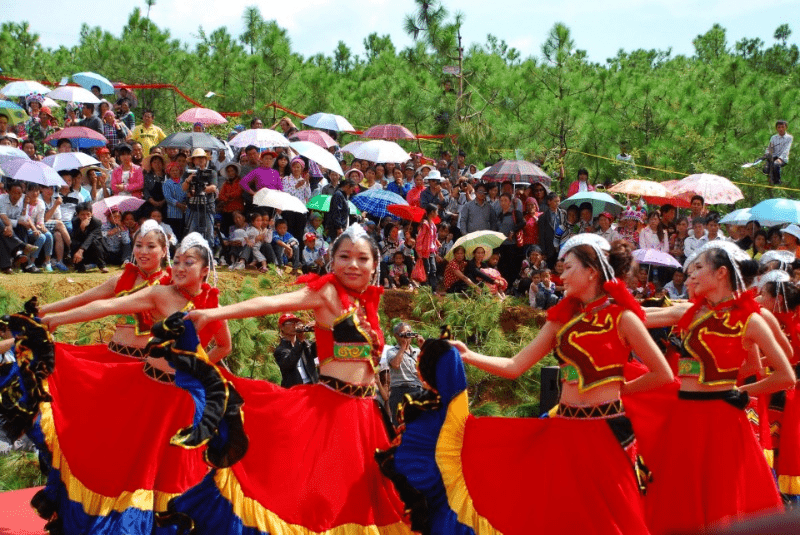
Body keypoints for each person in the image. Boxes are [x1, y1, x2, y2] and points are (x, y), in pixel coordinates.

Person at [392, 235, 672, 533]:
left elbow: (662, 374)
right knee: (562, 518)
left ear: (592, 271)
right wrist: (470, 355)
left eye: (568, 268)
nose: (560, 275)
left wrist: (620, 390)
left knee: (615, 519)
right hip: (564, 433)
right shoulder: (561, 321)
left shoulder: (622, 318)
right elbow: (515, 366)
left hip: (606, 435)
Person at [177, 224, 412, 534]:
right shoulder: (327, 293)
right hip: (331, 410)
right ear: (331, 260)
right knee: (321, 498)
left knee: (361, 500)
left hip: (365, 415)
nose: (353, 264)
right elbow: (274, 303)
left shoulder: (367, 302)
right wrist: (214, 315)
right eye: (344, 256)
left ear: (374, 264)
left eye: (362, 258)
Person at [24, 232, 230, 534]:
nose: (181, 268)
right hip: (147, 388)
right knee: (134, 462)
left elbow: (224, 347)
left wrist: (198, 369)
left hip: (182, 399)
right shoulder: (161, 294)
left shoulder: (212, 303)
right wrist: (54, 319)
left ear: (204, 270)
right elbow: (105, 307)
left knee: (173, 473)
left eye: (190, 262)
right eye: (179, 262)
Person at [641, 241, 793, 533]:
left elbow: (784, 375)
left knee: (720, 497)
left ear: (721, 272)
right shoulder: (687, 312)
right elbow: (635, 318)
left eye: (699, 267)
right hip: (684, 419)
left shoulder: (749, 320)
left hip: (723, 422)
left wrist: (740, 392)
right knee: (679, 496)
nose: (692, 275)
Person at [383, 322, 425, 426]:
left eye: (409, 333)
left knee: (417, 424)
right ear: (396, 336)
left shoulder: (418, 351)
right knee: (399, 424)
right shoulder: (391, 351)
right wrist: (403, 347)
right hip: (399, 391)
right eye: (403, 334)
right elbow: (395, 364)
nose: (407, 336)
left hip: (416, 390)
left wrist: (424, 347)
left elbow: (430, 368)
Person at [273, 313, 319, 388]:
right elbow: (289, 363)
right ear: (281, 327)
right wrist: (300, 341)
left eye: (296, 323)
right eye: (290, 323)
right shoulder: (280, 350)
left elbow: (319, 350)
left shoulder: (305, 343)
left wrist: (319, 330)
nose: (294, 325)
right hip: (295, 389)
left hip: (312, 386)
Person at [182, 149, 218, 245]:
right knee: (191, 233)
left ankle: (209, 256)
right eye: (197, 158)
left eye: (202, 158)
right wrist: (188, 180)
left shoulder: (211, 172)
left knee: (208, 234)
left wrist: (200, 189)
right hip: (192, 207)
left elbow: (213, 187)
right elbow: (184, 188)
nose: (200, 160)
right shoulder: (189, 172)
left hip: (207, 206)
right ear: (193, 160)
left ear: (206, 160)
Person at [70, 202, 108, 273]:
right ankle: (79, 266)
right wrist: (81, 228)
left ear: (91, 213)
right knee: (74, 243)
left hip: (97, 250)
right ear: (78, 215)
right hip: (82, 250)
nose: (85, 217)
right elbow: (75, 237)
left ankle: (102, 266)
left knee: (95, 242)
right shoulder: (75, 222)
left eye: (88, 214)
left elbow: (91, 237)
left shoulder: (97, 222)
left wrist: (81, 250)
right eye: (82, 214)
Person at [539, 192, 566, 268]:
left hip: (561, 247)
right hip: (549, 249)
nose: (557, 203)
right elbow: (541, 235)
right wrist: (543, 252)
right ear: (549, 202)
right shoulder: (543, 217)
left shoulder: (563, 214)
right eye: (555, 201)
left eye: (558, 201)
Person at [764, 120, 792, 185]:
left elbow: (786, 149)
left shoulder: (789, 138)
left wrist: (780, 159)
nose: (781, 129)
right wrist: (767, 153)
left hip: (782, 158)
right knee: (765, 169)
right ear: (776, 128)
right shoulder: (773, 137)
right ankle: (770, 180)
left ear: (786, 128)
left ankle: (777, 182)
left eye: (782, 127)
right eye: (779, 127)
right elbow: (770, 148)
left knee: (776, 164)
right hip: (773, 157)